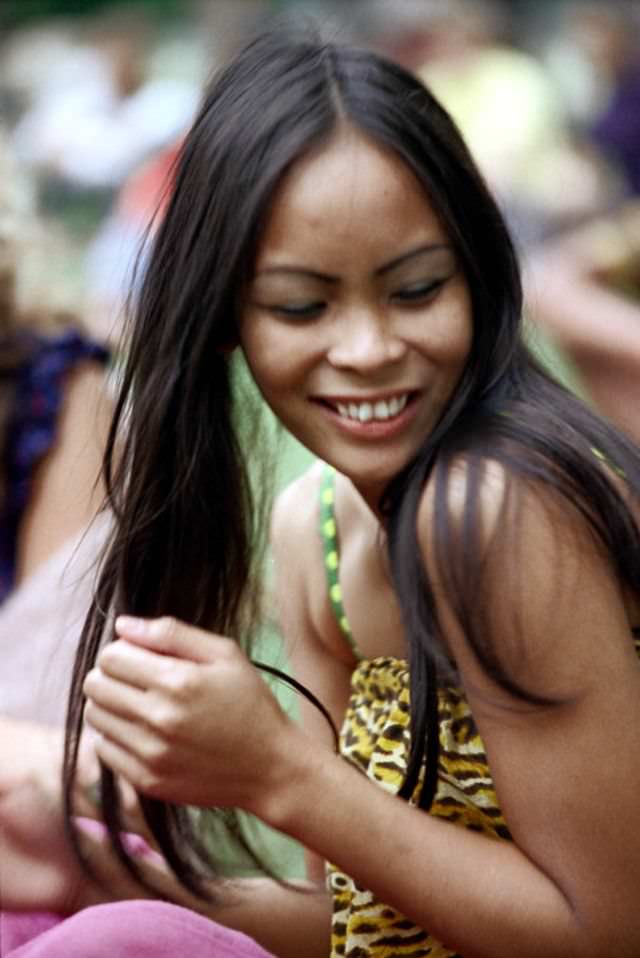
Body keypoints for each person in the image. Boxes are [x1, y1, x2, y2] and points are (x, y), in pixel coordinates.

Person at [3, 26, 640, 958]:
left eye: (417, 290)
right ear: (225, 317)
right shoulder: (320, 538)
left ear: (477, 273)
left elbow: (609, 930)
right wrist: (104, 869)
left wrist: (279, 771)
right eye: (302, 305)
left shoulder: (496, 509)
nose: (370, 349)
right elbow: (352, 922)